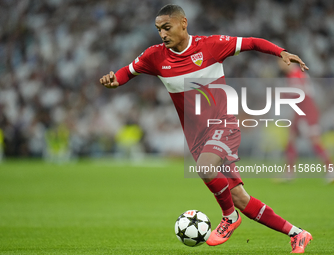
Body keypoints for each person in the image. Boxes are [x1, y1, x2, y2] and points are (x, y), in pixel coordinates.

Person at [100, 4, 312, 253]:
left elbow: (252, 42)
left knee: (205, 168)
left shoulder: (211, 46)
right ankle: (297, 234)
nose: (163, 34)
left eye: (167, 28)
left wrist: (281, 52)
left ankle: (229, 219)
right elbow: (127, 72)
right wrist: (115, 80)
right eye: (159, 30)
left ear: (183, 23)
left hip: (223, 124)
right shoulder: (154, 56)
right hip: (197, 138)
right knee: (240, 198)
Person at [278, 59, 334, 183]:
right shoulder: (294, 74)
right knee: (291, 140)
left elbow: (300, 94)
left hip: (306, 111)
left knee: (314, 140)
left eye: (281, 62)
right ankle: (289, 173)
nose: (279, 65)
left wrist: (283, 95)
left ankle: (331, 169)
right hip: (301, 111)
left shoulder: (295, 74)